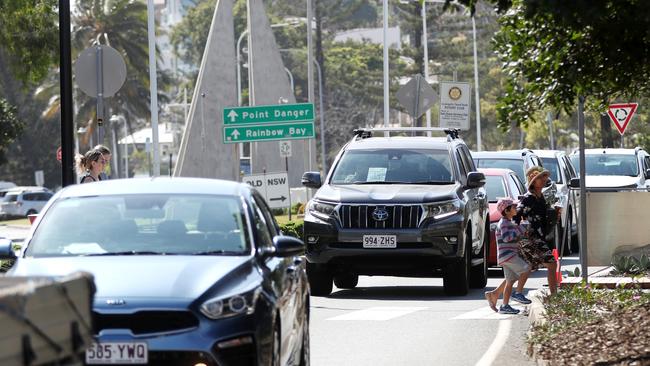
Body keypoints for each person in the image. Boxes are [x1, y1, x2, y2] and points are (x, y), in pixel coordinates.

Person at [515, 166, 559, 295]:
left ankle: (496, 293)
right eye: (539, 177)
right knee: (551, 264)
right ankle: (554, 295)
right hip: (531, 237)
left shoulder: (540, 197)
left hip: (539, 236)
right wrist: (516, 234)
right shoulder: (529, 198)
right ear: (533, 182)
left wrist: (554, 214)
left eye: (544, 177)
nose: (543, 179)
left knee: (526, 269)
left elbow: (544, 218)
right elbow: (517, 215)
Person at [485, 197, 532, 314]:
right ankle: (518, 293)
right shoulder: (504, 223)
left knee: (510, 280)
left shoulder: (508, 222)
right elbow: (507, 238)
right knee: (527, 268)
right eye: (514, 207)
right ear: (506, 210)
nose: (516, 208)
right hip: (508, 255)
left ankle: (504, 305)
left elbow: (513, 236)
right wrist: (522, 228)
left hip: (506, 256)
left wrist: (521, 229)